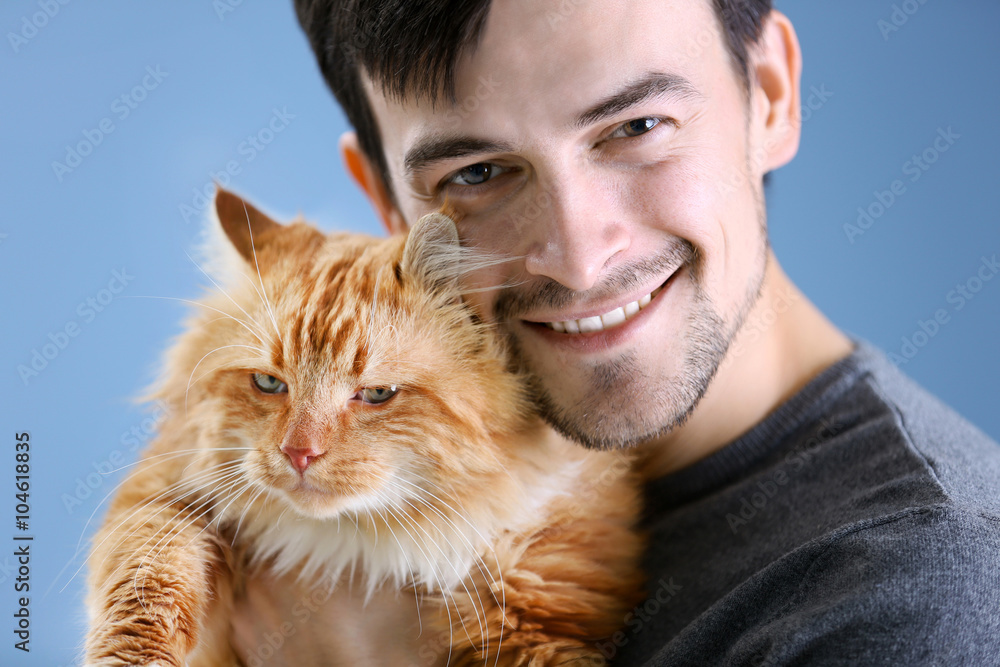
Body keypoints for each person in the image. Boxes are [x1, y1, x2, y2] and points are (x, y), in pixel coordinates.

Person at [230, 1, 1000, 664]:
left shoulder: (919, 595)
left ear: (770, 95)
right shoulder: (370, 492)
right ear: (388, 208)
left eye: (636, 125)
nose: (577, 258)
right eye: (475, 174)